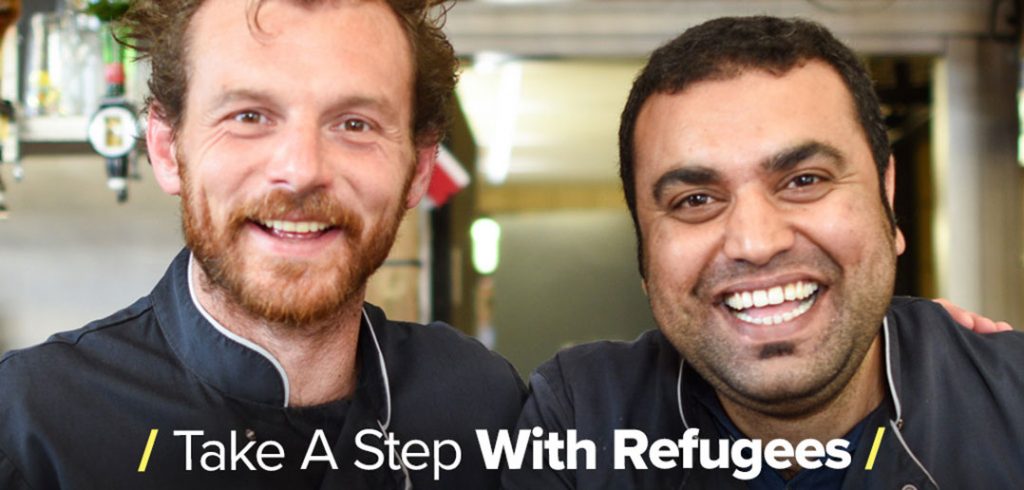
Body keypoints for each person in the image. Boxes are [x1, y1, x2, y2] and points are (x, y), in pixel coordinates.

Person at [0, 0, 525, 488]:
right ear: (165, 148)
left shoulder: (478, 404)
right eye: (248, 117)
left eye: (354, 123)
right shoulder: (31, 424)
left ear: (420, 168)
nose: (300, 172)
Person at [503, 16, 1024, 489]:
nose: (755, 243)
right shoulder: (581, 424)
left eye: (803, 180)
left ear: (886, 201)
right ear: (643, 248)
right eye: (696, 200)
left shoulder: (1012, 401)